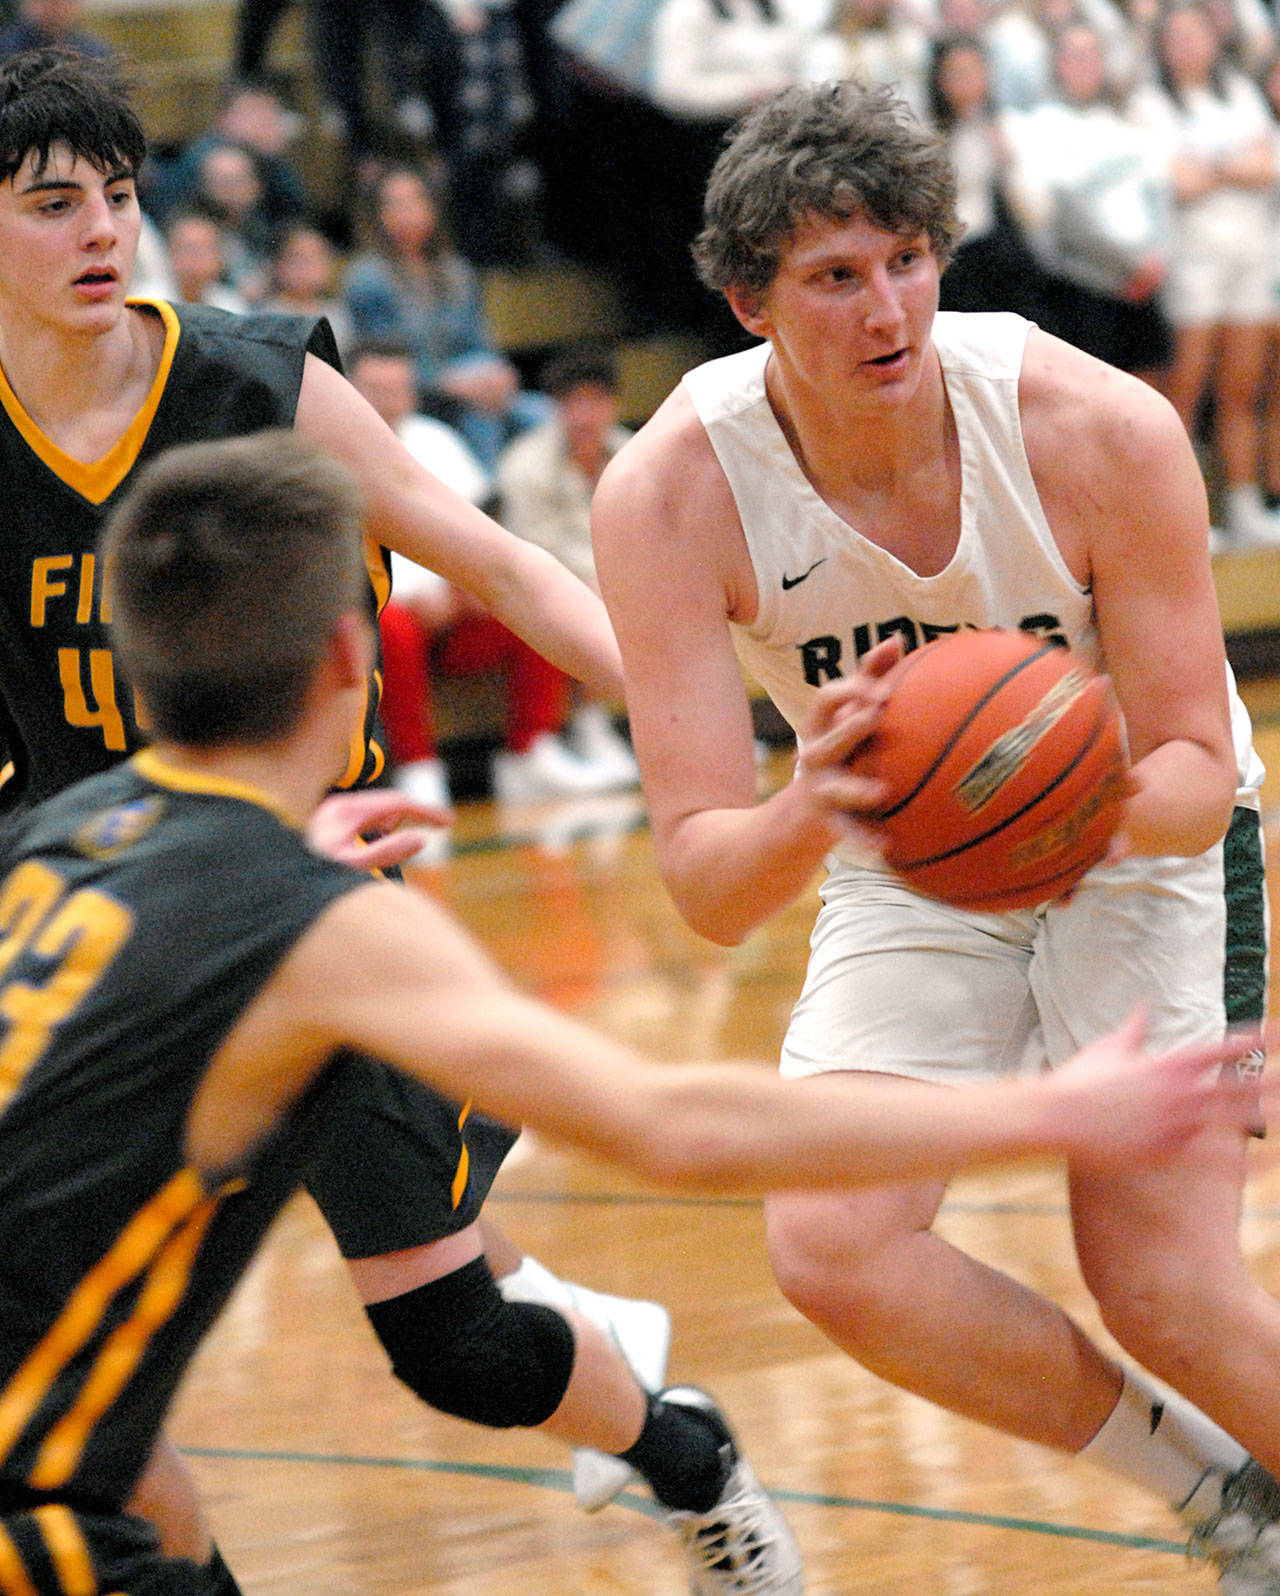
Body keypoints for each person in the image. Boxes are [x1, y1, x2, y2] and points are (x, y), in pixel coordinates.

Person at [0, 424, 1257, 1595]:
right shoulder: (313, 924)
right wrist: (1051, 1112)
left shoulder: (59, 842)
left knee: (134, 1454)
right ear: (354, 653)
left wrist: (262, 856)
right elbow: (673, 1126)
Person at [0, 43, 717, 1594]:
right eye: (53, 204)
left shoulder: (249, 381)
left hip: (304, 899)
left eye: (117, 196)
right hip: (91, 927)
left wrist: (711, 742)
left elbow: (510, 570)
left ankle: (684, 1453)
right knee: (51, 1392)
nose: (100, 231)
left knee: (455, 1343)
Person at [590, 76, 1280, 1594]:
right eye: (835, 276)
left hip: (1144, 836)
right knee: (834, 1246)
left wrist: (1038, 792)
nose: (885, 306)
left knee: (1163, 1285)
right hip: (903, 854)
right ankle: (1225, 1498)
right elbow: (707, 881)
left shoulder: (1097, 428)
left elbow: (1183, 756)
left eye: (908, 258)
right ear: (745, 303)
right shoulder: (669, 493)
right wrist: (815, 804)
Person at [348, 339, 627, 812]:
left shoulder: (437, 438)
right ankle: (417, 766)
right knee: (391, 623)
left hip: (456, 606)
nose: (391, 399)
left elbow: (481, 519)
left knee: (539, 604)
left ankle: (531, 750)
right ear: (350, 390)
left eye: (400, 387)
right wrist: (420, 595)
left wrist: (468, 585)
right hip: (386, 613)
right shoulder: (333, 450)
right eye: (378, 388)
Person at [1128, 1, 1280, 547]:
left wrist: (1212, 168)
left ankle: (1243, 506)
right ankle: (1184, 519)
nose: (1188, 46)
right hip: (1192, 259)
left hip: (1253, 253)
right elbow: (1177, 181)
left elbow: (1269, 166)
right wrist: (1233, 167)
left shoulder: (1238, 90)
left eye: (1197, 35)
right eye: (1177, 38)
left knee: (1243, 388)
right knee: (1185, 392)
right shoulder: (1149, 103)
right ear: (1163, 47)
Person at [342, 163, 550, 472]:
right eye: (395, 204)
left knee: (548, 416)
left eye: (415, 201)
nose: (408, 212)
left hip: (472, 383)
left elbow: (480, 341)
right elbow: (382, 357)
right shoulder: (367, 278)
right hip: (416, 394)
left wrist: (499, 374)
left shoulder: (457, 272)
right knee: (480, 414)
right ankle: (486, 501)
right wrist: (451, 385)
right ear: (377, 216)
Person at [495, 343, 640, 787]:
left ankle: (700, 722)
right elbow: (533, 550)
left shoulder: (637, 454)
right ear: (555, 407)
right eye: (572, 402)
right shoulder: (524, 463)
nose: (584, 414)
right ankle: (590, 725)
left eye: (595, 401)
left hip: (621, 576)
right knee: (587, 598)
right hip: (558, 582)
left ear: (613, 404)